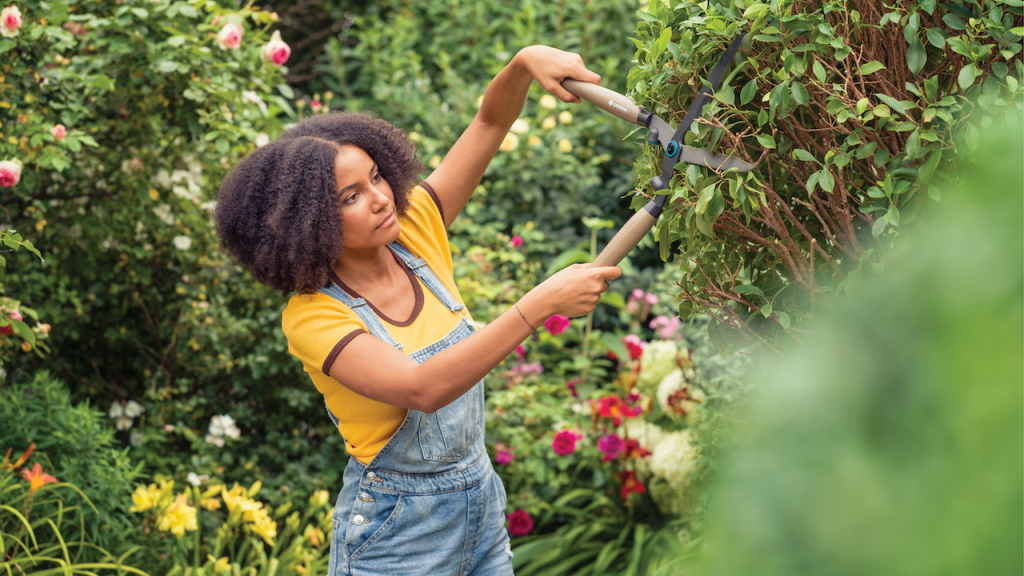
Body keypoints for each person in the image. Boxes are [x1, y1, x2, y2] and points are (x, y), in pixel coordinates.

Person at [214, 45, 622, 576]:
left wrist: (523, 63)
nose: (382, 198)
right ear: (306, 223)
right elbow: (422, 389)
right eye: (349, 198)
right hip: (397, 534)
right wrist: (539, 304)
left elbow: (490, 120)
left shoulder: (416, 230)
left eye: (377, 177)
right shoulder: (314, 316)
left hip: (481, 510)